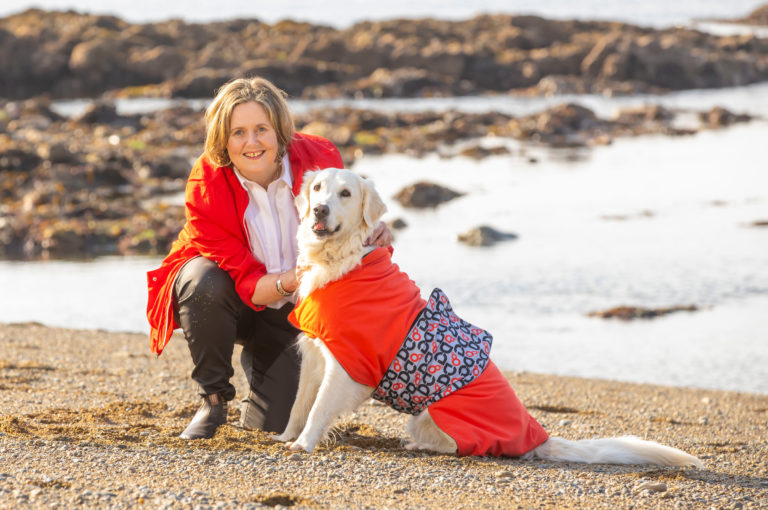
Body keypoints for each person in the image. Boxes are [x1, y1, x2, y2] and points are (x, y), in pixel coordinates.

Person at [146, 76, 390, 439]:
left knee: (275, 426)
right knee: (203, 282)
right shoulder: (206, 183)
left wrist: (375, 231)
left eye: (261, 129)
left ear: (279, 130)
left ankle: (263, 365)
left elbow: (351, 217)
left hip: (296, 314)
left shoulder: (320, 158)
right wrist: (291, 279)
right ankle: (212, 400)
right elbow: (246, 282)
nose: (252, 142)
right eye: (238, 132)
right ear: (223, 140)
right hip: (232, 300)